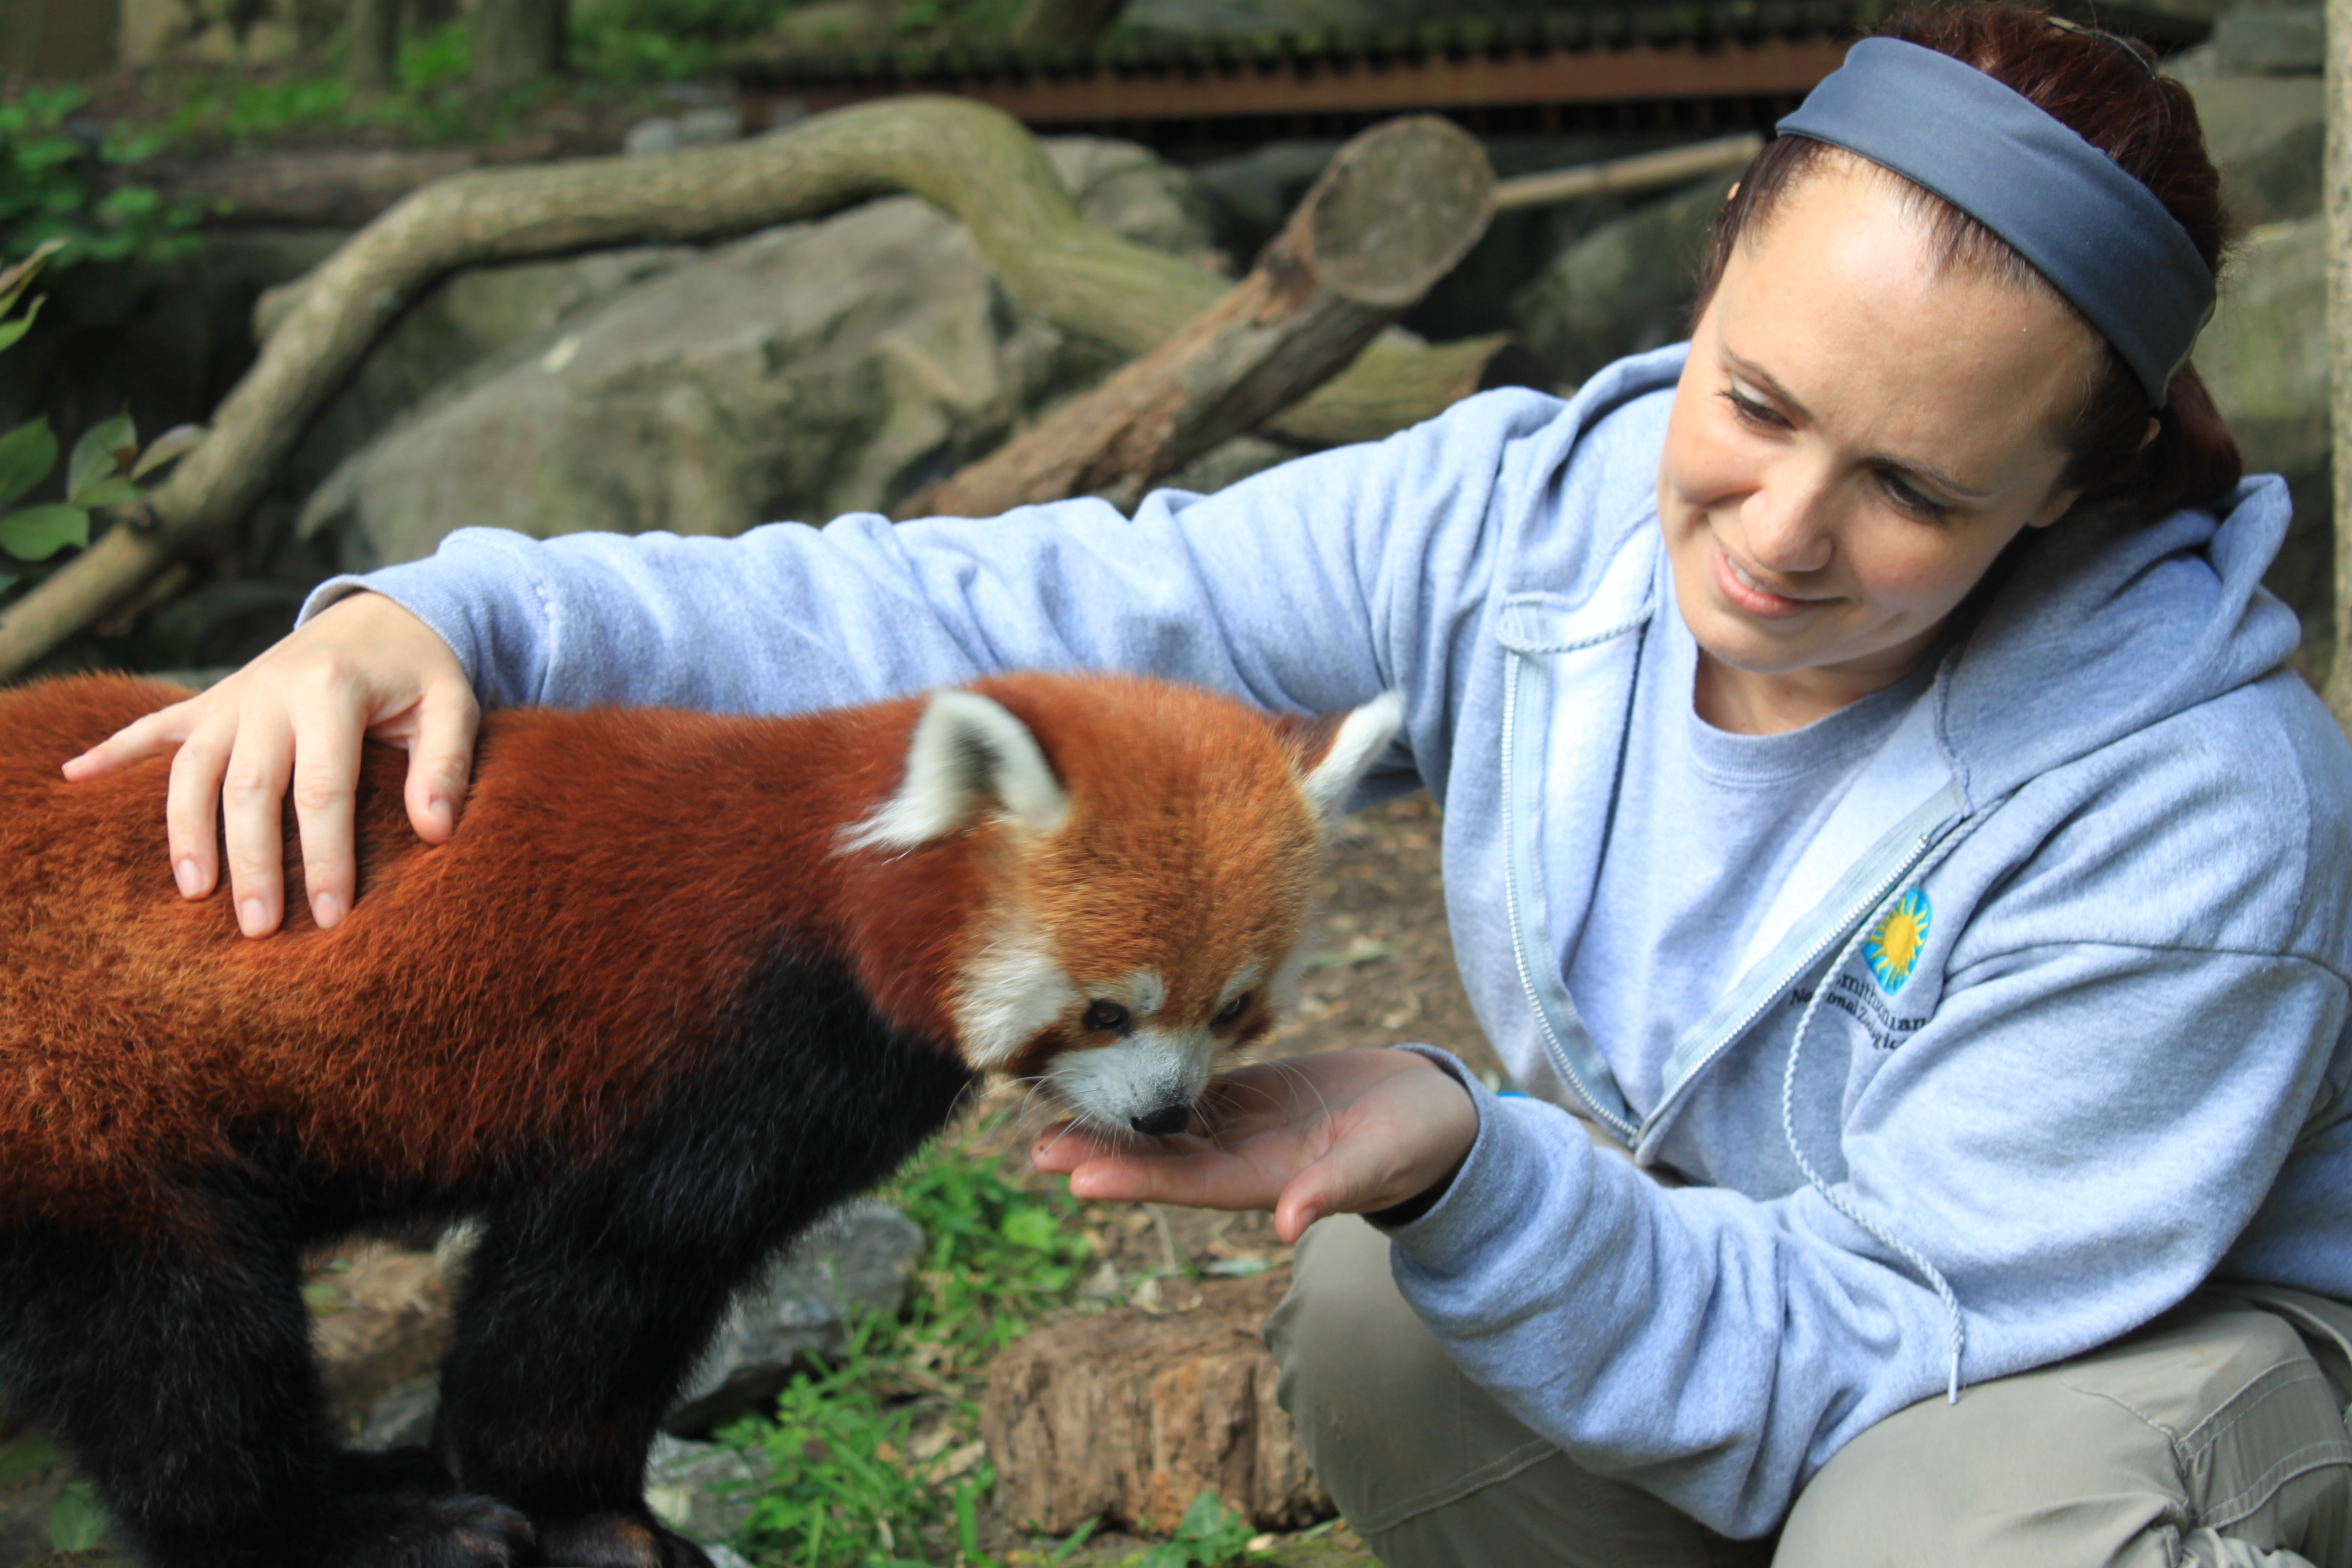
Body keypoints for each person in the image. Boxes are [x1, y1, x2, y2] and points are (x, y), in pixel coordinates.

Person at [64, 5, 2352, 1561]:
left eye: (1915, 494)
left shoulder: (2191, 813)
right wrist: (454, 617)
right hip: (1761, 1281)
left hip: (2112, 1338)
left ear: (2066, 493)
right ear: (1715, 260)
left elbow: (1902, 1332)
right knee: (1384, 1323)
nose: (1779, 531)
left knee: (1938, 1530)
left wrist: (1477, 1157)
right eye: (1752, 404)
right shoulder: (1520, 517)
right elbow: (963, 616)